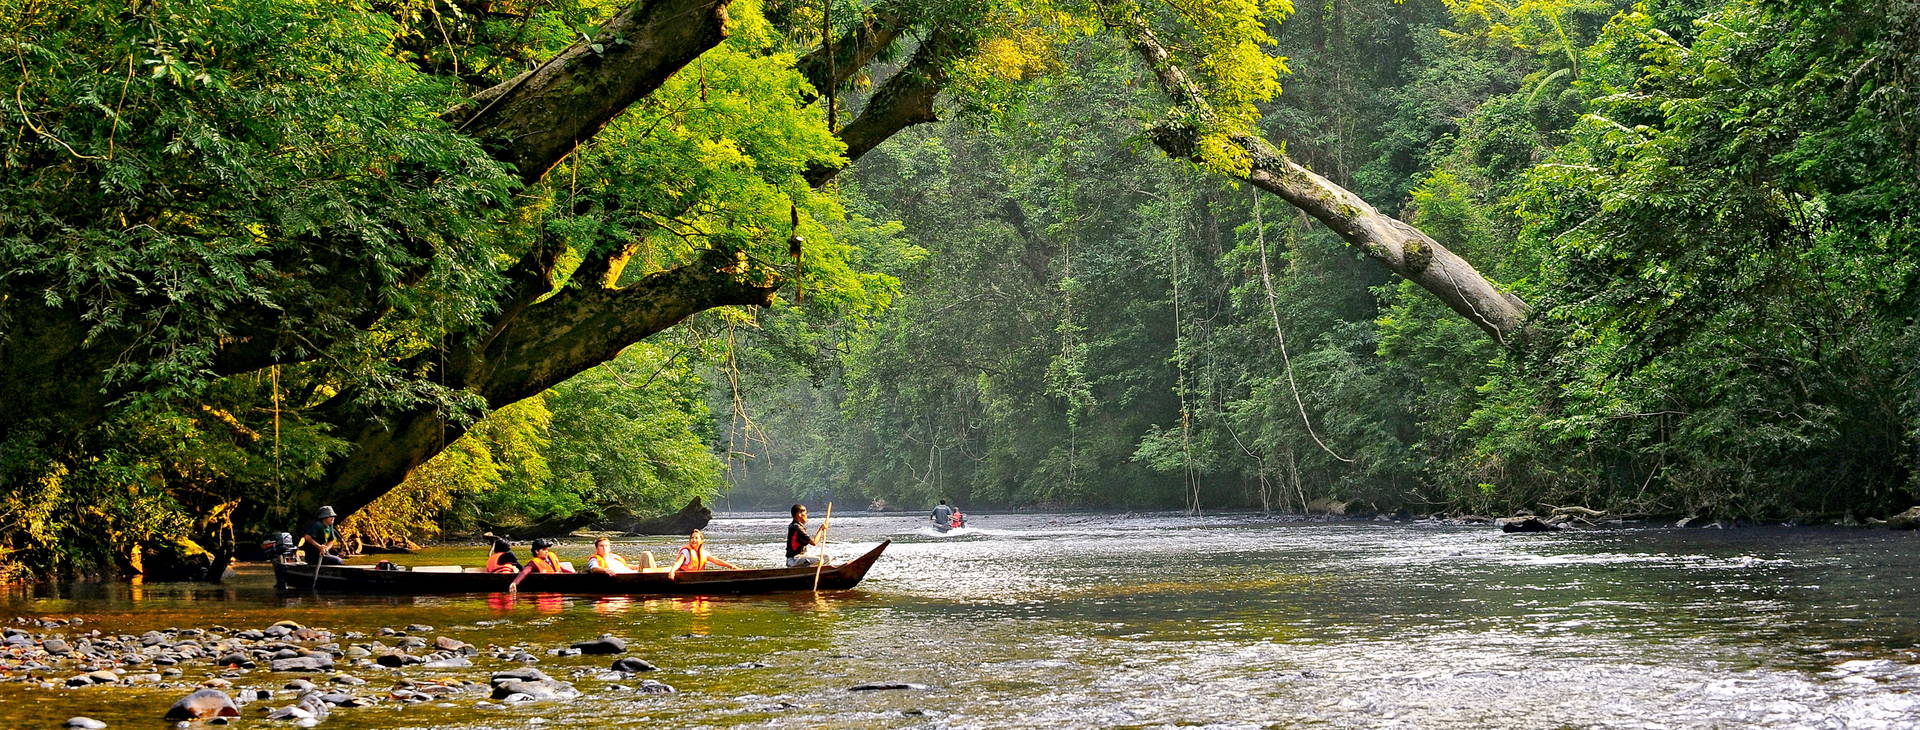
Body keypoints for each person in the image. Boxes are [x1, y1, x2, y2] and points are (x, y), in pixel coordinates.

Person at [508, 538, 574, 591]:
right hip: (547, 587)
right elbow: (524, 572)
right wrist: (515, 582)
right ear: (537, 551)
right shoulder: (533, 563)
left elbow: (560, 569)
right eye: (544, 549)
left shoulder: (549, 559)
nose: (547, 551)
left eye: (547, 549)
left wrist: (573, 574)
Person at [667, 530, 736, 579]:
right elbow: (678, 563)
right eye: (692, 538)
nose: (694, 540)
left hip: (696, 577)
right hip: (683, 577)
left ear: (701, 541)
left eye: (696, 538)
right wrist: (672, 572)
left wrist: (731, 566)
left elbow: (716, 560)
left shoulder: (704, 553)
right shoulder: (686, 551)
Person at [587, 536, 655, 575]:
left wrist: (637, 566)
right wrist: (605, 570)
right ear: (597, 548)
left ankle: (657, 576)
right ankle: (656, 578)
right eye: (601, 546)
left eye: (606, 546)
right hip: (625, 577)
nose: (604, 548)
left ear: (609, 547)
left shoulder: (614, 557)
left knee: (647, 555)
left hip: (633, 573)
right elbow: (594, 569)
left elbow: (626, 566)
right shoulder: (594, 559)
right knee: (645, 554)